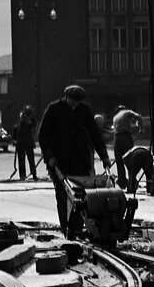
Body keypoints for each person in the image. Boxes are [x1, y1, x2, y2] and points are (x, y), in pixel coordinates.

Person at [36, 85, 110, 234]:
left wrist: (104, 156)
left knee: (82, 195)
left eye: (77, 102)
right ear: (66, 97)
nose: (74, 105)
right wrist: (49, 157)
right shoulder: (54, 109)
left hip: (79, 159)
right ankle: (66, 228)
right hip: (58, 160)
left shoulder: (84, 110)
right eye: (72, 102)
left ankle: (76, 228)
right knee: (62, 195)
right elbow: (43, 135)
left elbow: (94, 134)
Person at [110, 104, 141, 189]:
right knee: (129, 160)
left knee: (119, 161)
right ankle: (132, 182)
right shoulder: (127, 112)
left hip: (117, 139)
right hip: (126, 138)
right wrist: (141, 129)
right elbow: (139, 117)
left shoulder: (115, 117)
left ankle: (122, 182)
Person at [13, 105, 38, 180]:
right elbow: (14, 137)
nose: (22, 118)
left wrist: (32, 116)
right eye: (22, 116)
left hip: (28, 144)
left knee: (31, 160)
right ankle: (22, 176)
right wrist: (15, 142)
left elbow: (34, 123)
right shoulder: (16, 127)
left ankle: (34, 174)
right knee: (21, 161)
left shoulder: (28, 125)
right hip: (20, 145)